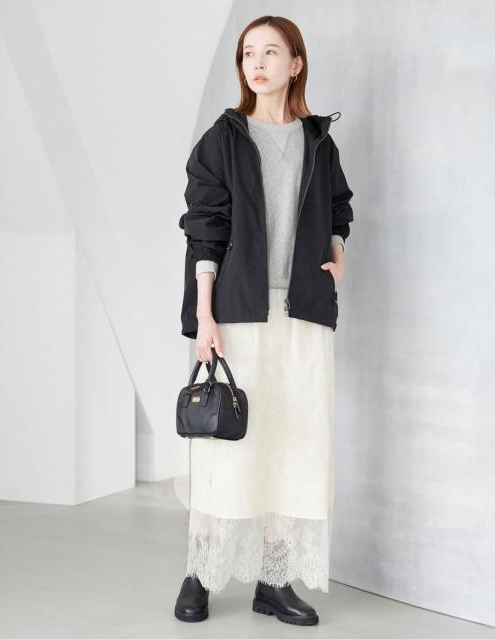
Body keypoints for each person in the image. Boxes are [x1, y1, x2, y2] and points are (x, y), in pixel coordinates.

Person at [175, 15, 354, 626]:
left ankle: (273, 581)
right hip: (239, 309)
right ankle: (200, 572)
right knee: (228, 445)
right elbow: (205, 228)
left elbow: (338, 206)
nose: (257, 62)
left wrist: (337, 253)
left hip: (303, 310)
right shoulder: (223, 139)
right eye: (248, 52)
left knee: (294, 441)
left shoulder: (318, 141)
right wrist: (204, 315)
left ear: (295, 64)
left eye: (271, 52)